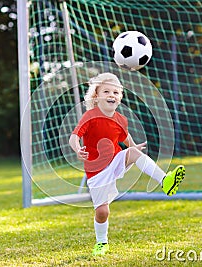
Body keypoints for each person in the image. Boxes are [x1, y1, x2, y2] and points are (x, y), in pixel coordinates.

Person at [69, 72, 185, 256]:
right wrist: (77, 149)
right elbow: (74, 136)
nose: (111, 95)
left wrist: (133, 147)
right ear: (96, 96)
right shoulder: (90, 116)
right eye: (106, 91)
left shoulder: (121, 119)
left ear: (120, 97)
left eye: (115, 92)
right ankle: (102, 243)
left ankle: (165, 180)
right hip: (96, 171)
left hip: (115, 161)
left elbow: (125, 136)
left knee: (132, 153)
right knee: (102, 212)